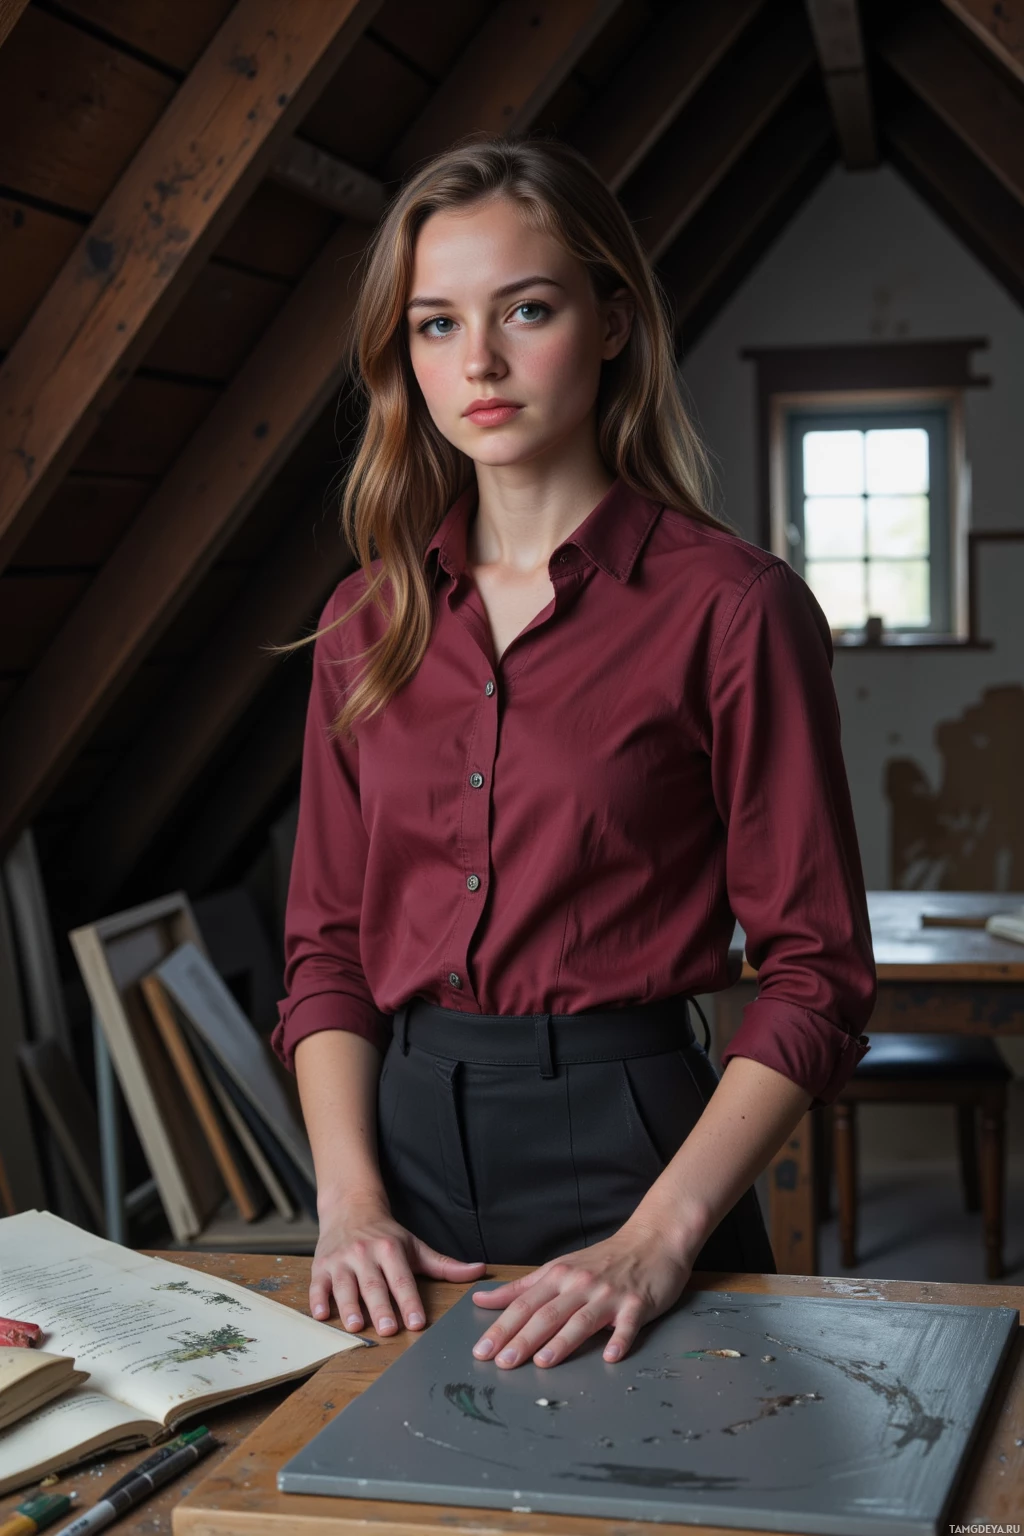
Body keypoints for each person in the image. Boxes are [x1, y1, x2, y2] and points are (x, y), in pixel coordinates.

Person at [271, 133, 876, 1375]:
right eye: (434, 325)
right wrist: (347, 1204)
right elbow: (326, 953)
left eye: (525, 309)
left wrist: (659, 1237)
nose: (477, 362)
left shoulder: (732, 608)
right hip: (400, 1162)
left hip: (642, 1150)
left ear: (609, 321)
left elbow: (816, 973)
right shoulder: (362, 621)